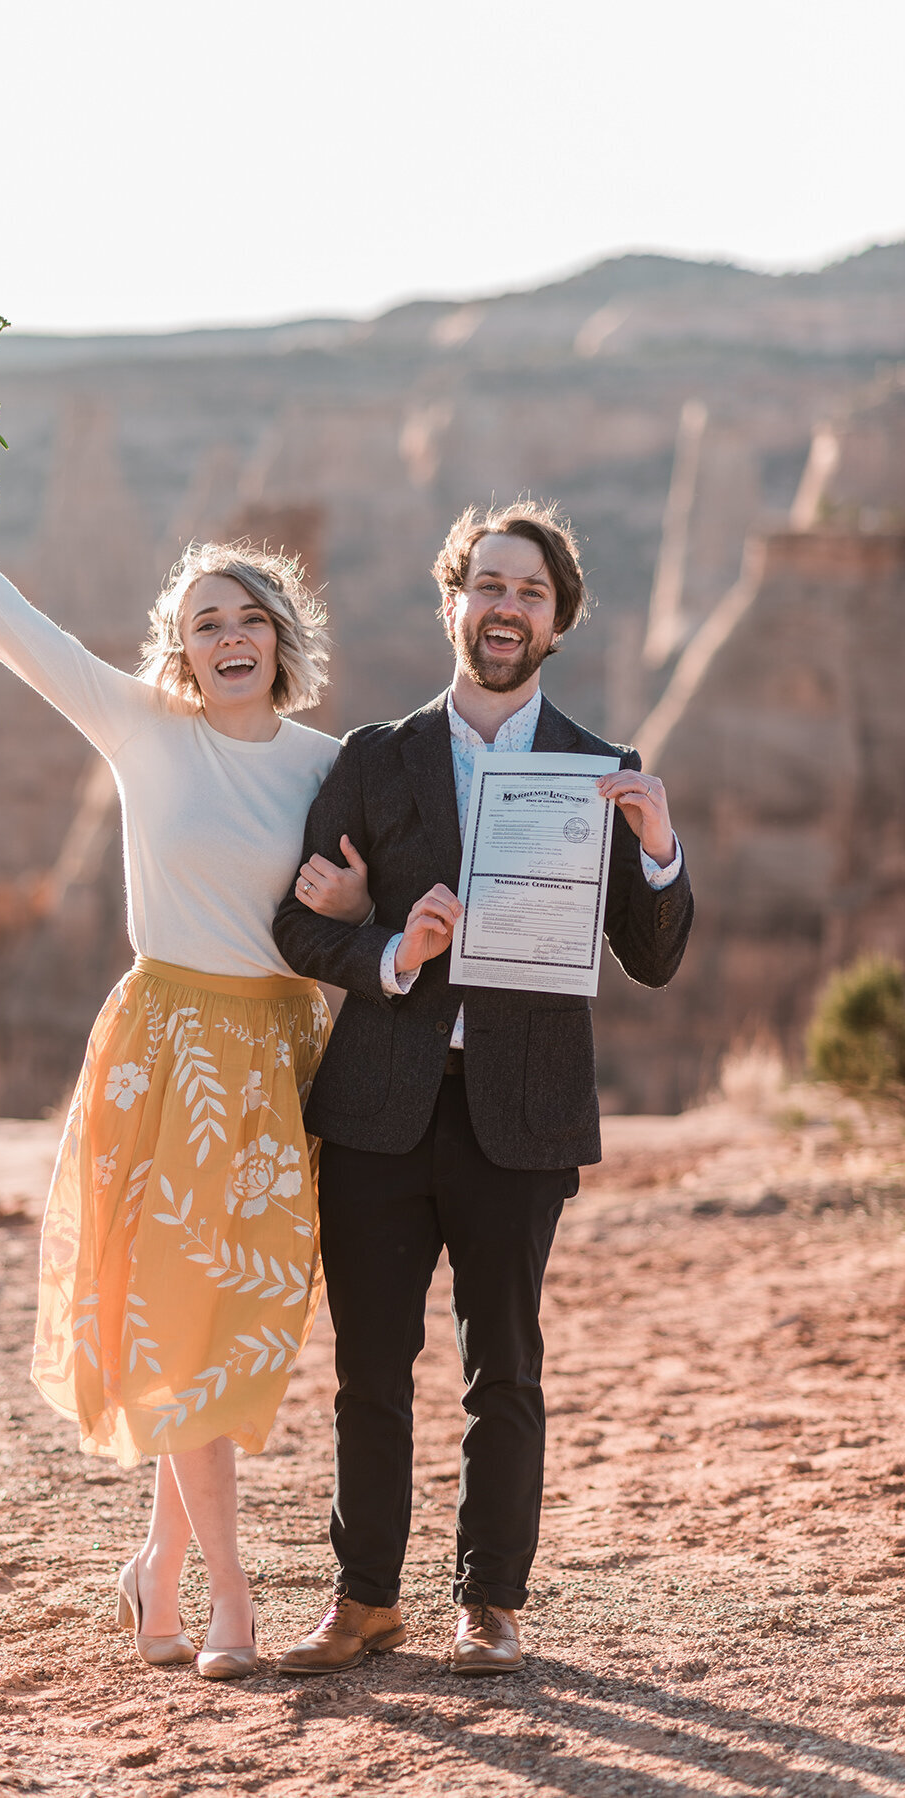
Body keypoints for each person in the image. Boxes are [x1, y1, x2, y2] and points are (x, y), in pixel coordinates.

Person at [0, 444, 368, 1680]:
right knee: (182, 1327)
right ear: (176, 647)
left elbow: (369, 907)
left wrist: (354, 903)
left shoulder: (329, 765)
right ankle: (227, 1598)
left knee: (231, 1337)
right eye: (203, 623)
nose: (228, 638)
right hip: (168, 1054)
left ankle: (155, 1568)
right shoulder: (143, 729)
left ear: (283, 635)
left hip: (281, 1062)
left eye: (248, 618)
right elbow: (12, 629)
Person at [276, 500, 694, 1676]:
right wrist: (392, 948)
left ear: (556, 622)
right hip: (378, 1109)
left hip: (524, 1112)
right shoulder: (373, 758)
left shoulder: (597, 773)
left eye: (531, 593)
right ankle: (363, 1600)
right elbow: (299, 930)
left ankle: (490, 1604)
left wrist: (658, 848)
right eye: (489, 586)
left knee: (503, 1365)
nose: (506, 609)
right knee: (368, 1365)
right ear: (452, 600)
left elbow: (653, 956)